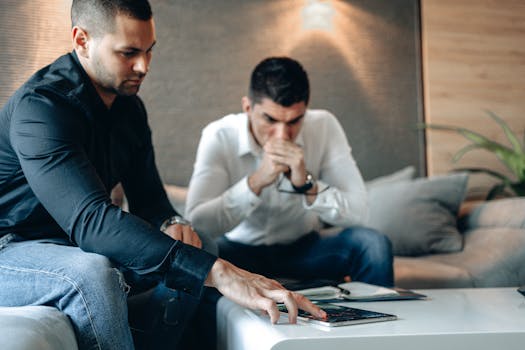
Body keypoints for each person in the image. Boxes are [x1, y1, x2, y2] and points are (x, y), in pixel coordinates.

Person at [0, 1, 324, 349]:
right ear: (82, 40)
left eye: (149, 51)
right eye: (128, 53)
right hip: (11, 248)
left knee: (199, 242)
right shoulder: (41, 107)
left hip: (73, 245)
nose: (143, 66)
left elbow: (150, 200)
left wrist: (171, 221)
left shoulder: (129, 107)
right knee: (92, 274)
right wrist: (219, 272)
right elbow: (91, 221)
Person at [186, 57, 394, 288]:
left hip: (303, 250)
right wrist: (255, 182)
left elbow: (359, 213)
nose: (282, 135)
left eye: (295, 121)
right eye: (270, 119)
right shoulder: (219, 135)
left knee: (373, 245)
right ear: (247, 107)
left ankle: (379, 324)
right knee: (195, 250)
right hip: (236, 253)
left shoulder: (324, 126)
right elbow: (197, 223)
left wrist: (307, 185)